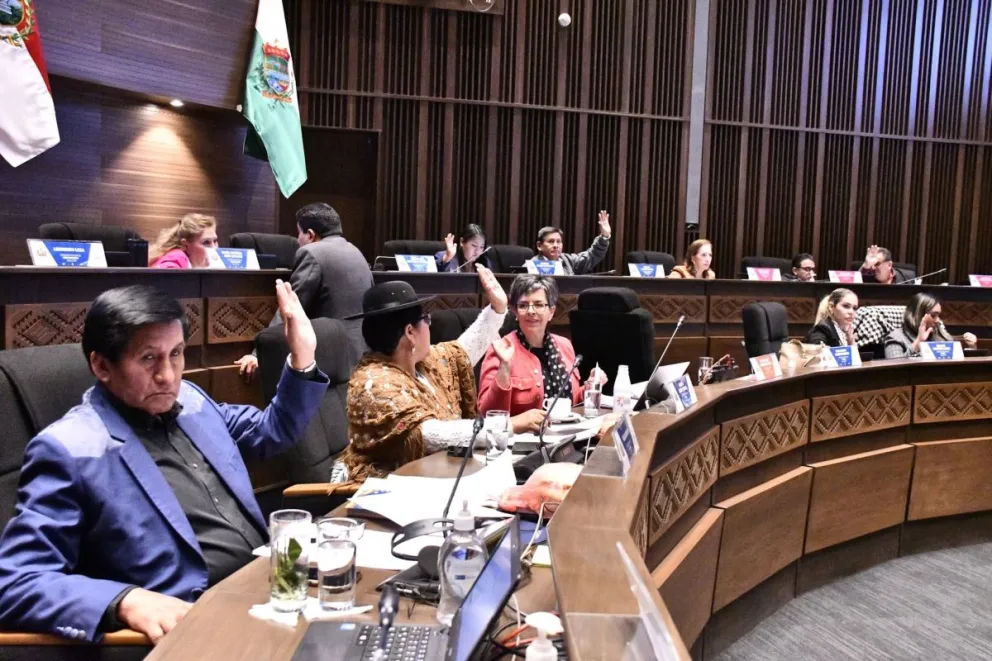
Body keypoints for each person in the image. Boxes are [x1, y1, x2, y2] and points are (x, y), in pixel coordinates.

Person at [0, 282, 328, 644]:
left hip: (271, 588)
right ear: (101, 365)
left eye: (176, 354)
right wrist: (124, 601)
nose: (168, 376)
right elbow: (17, 580)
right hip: (198, 625)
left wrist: (303, 357)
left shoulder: (190, 400)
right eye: (148, 358)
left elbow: (271, 431)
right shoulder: (69, 450)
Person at [332, 266, 544, 483]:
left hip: (431, 477)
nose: (429, 326)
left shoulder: (420, 365)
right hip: (382, 491)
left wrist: (497, 309)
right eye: (427, 320)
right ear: (410, 333)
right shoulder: (373, 384)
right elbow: (431, 435)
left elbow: (462, 352)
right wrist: (511, 424)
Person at [235, 203, 373, 380]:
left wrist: (258, 353)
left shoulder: (311, 252)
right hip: (361, 353)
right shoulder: (356, 252)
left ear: (310, 234)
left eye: (298, 233)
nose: (297, 240)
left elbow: (291, 307)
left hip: (329, 355)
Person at [478, 275, 606, 416]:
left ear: (551, 312)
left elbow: (570, 402)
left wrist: (591, 385)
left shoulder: (565, 345)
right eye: (523, 305)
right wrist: (504, 367)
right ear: (515, 312)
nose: (531, 311)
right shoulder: (501, 349)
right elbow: (486, 414)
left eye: (539, 305)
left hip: (566, 434)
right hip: (523, 437)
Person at [883, 293, 978, 358]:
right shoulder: (895, 338)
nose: (937, 320)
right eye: (933, 315)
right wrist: (918, 342)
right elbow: (895, 371)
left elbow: (960, 364)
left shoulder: (939, 333)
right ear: (918, 315)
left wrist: (972, 348)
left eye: (938, 315)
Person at [534, 210, 612, 275]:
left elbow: (592, 255)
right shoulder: (531, 266)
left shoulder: (568, 260)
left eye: (558, 242)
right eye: (551, 242)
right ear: (539, 246)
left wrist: (604, 236)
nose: (556, 245)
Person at [149, 214, 219, 269]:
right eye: (206, 242)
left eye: (215, 241)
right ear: (185, 245)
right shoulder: (177, 258)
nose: (214, 247)